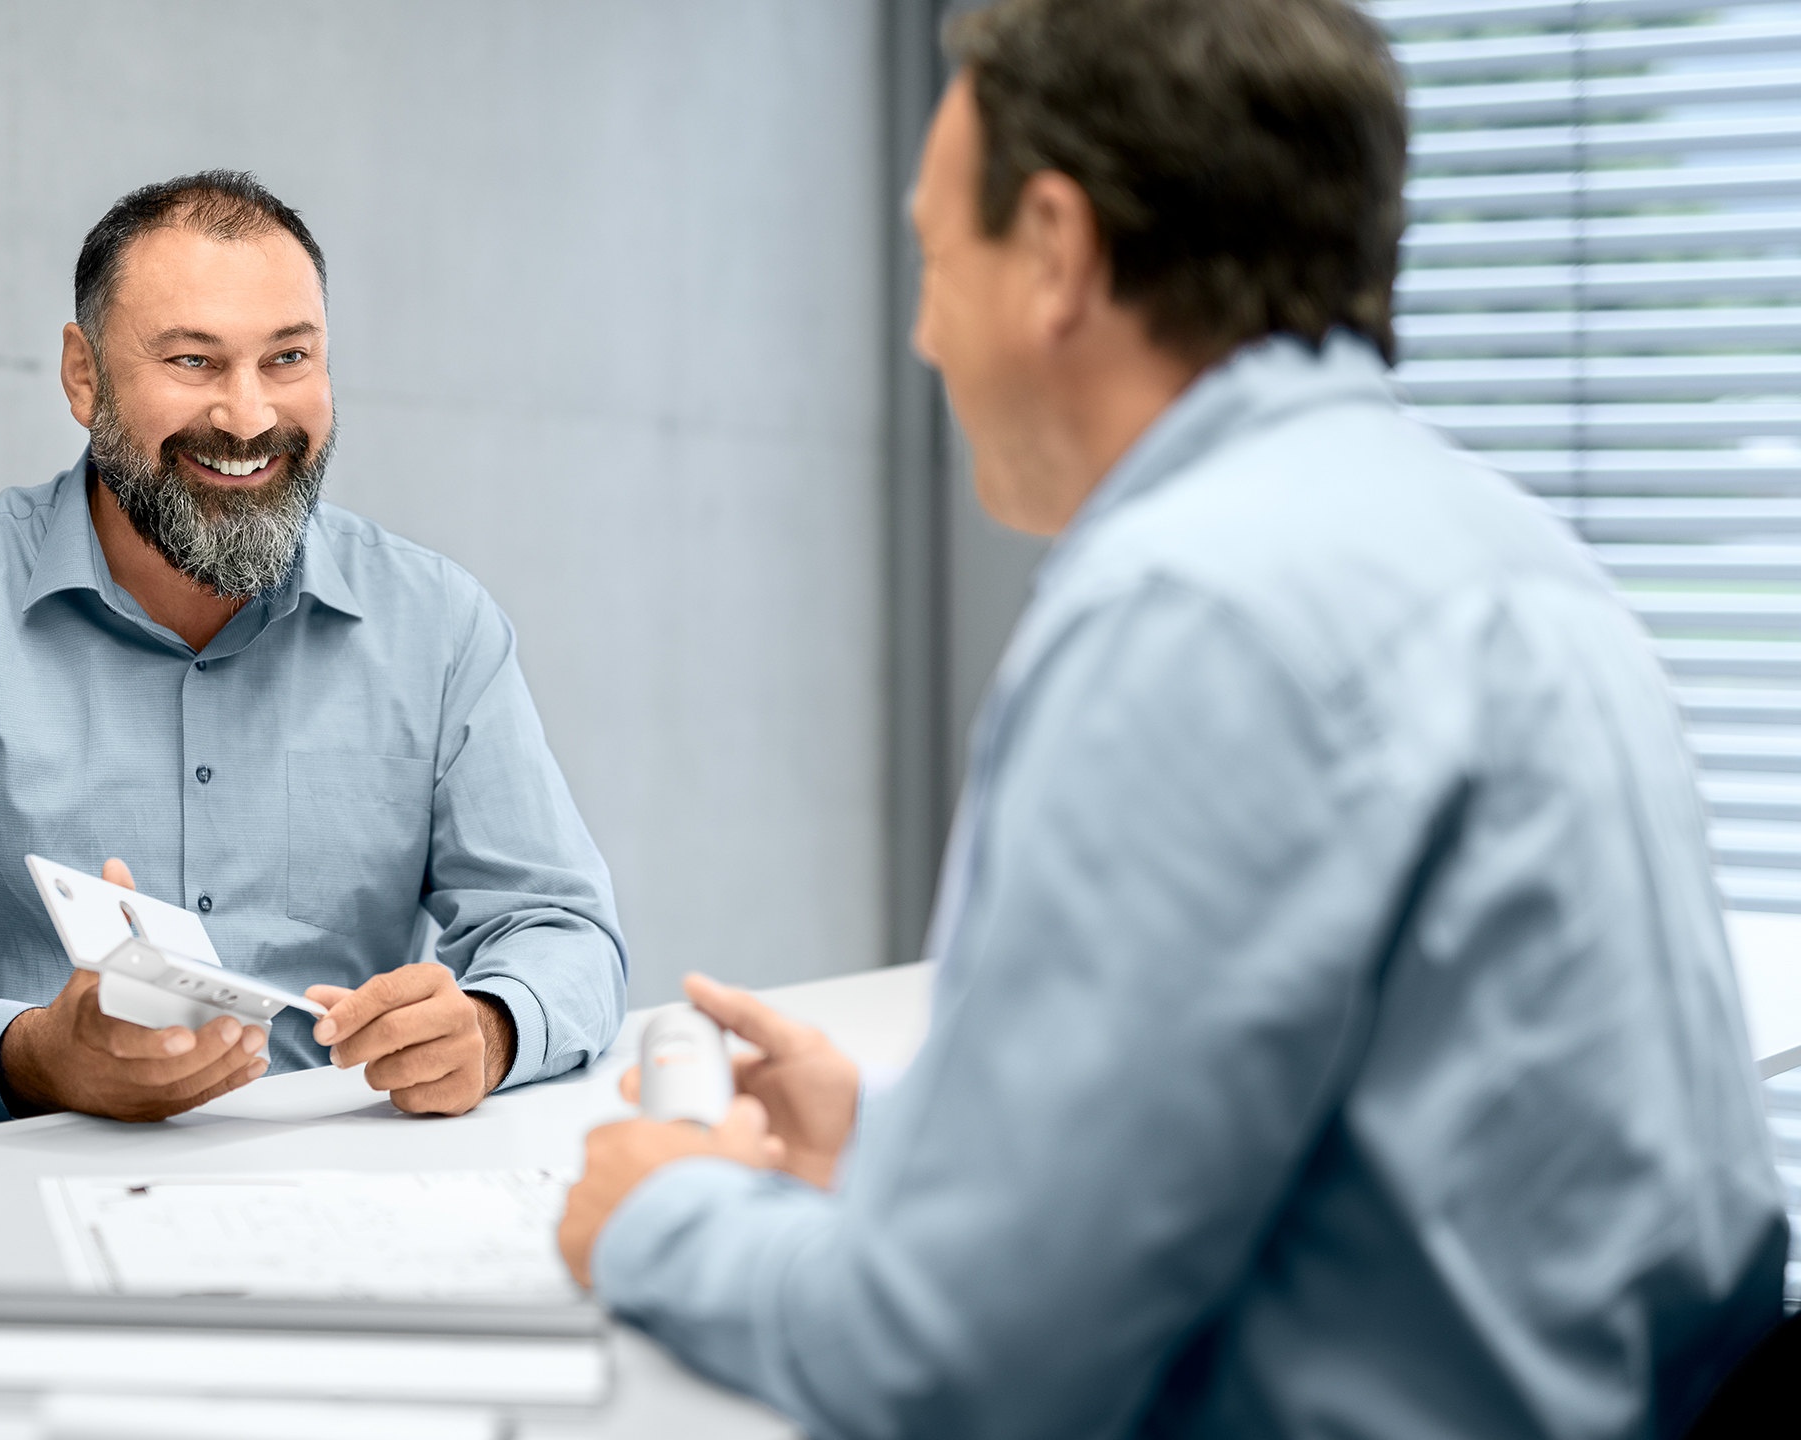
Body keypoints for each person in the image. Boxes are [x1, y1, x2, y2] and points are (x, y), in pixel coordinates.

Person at [558, 1, 1789, 1436]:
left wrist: (664, 1212)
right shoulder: (1524, 560)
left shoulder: (1193, 612)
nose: (924, 334)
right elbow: (1392, 1176)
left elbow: (955, 1361)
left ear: (1056, 253)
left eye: (937, 260)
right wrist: (900, 1149)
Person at [0, 172, 625, 1146]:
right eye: (193, 361)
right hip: (6, 1177)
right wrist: (37, 1054)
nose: (248, 417)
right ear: (84, 376)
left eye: (288, 358)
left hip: (328, 1187)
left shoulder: (436, 623)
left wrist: (491, 1026)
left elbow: (563, 931)